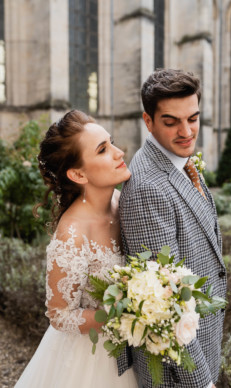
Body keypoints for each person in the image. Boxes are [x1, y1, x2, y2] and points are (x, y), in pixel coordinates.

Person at [118, 69, 227, 388]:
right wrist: (201, 382)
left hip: (203, 341)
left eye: (192, 118)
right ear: (148, 121)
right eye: (171, 122)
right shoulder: (147, 188)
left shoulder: (180, 158)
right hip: (179, 372)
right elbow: (164, 303)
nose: (186, 131)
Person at [14, 110, 138, 388]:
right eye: (103, 150)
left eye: (112, 142)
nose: (119, 153)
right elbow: (59, 315)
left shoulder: (125, 202)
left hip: (136, 351)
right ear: (78, 173)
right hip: (91, 361)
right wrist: (125, 314)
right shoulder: (72, 234)